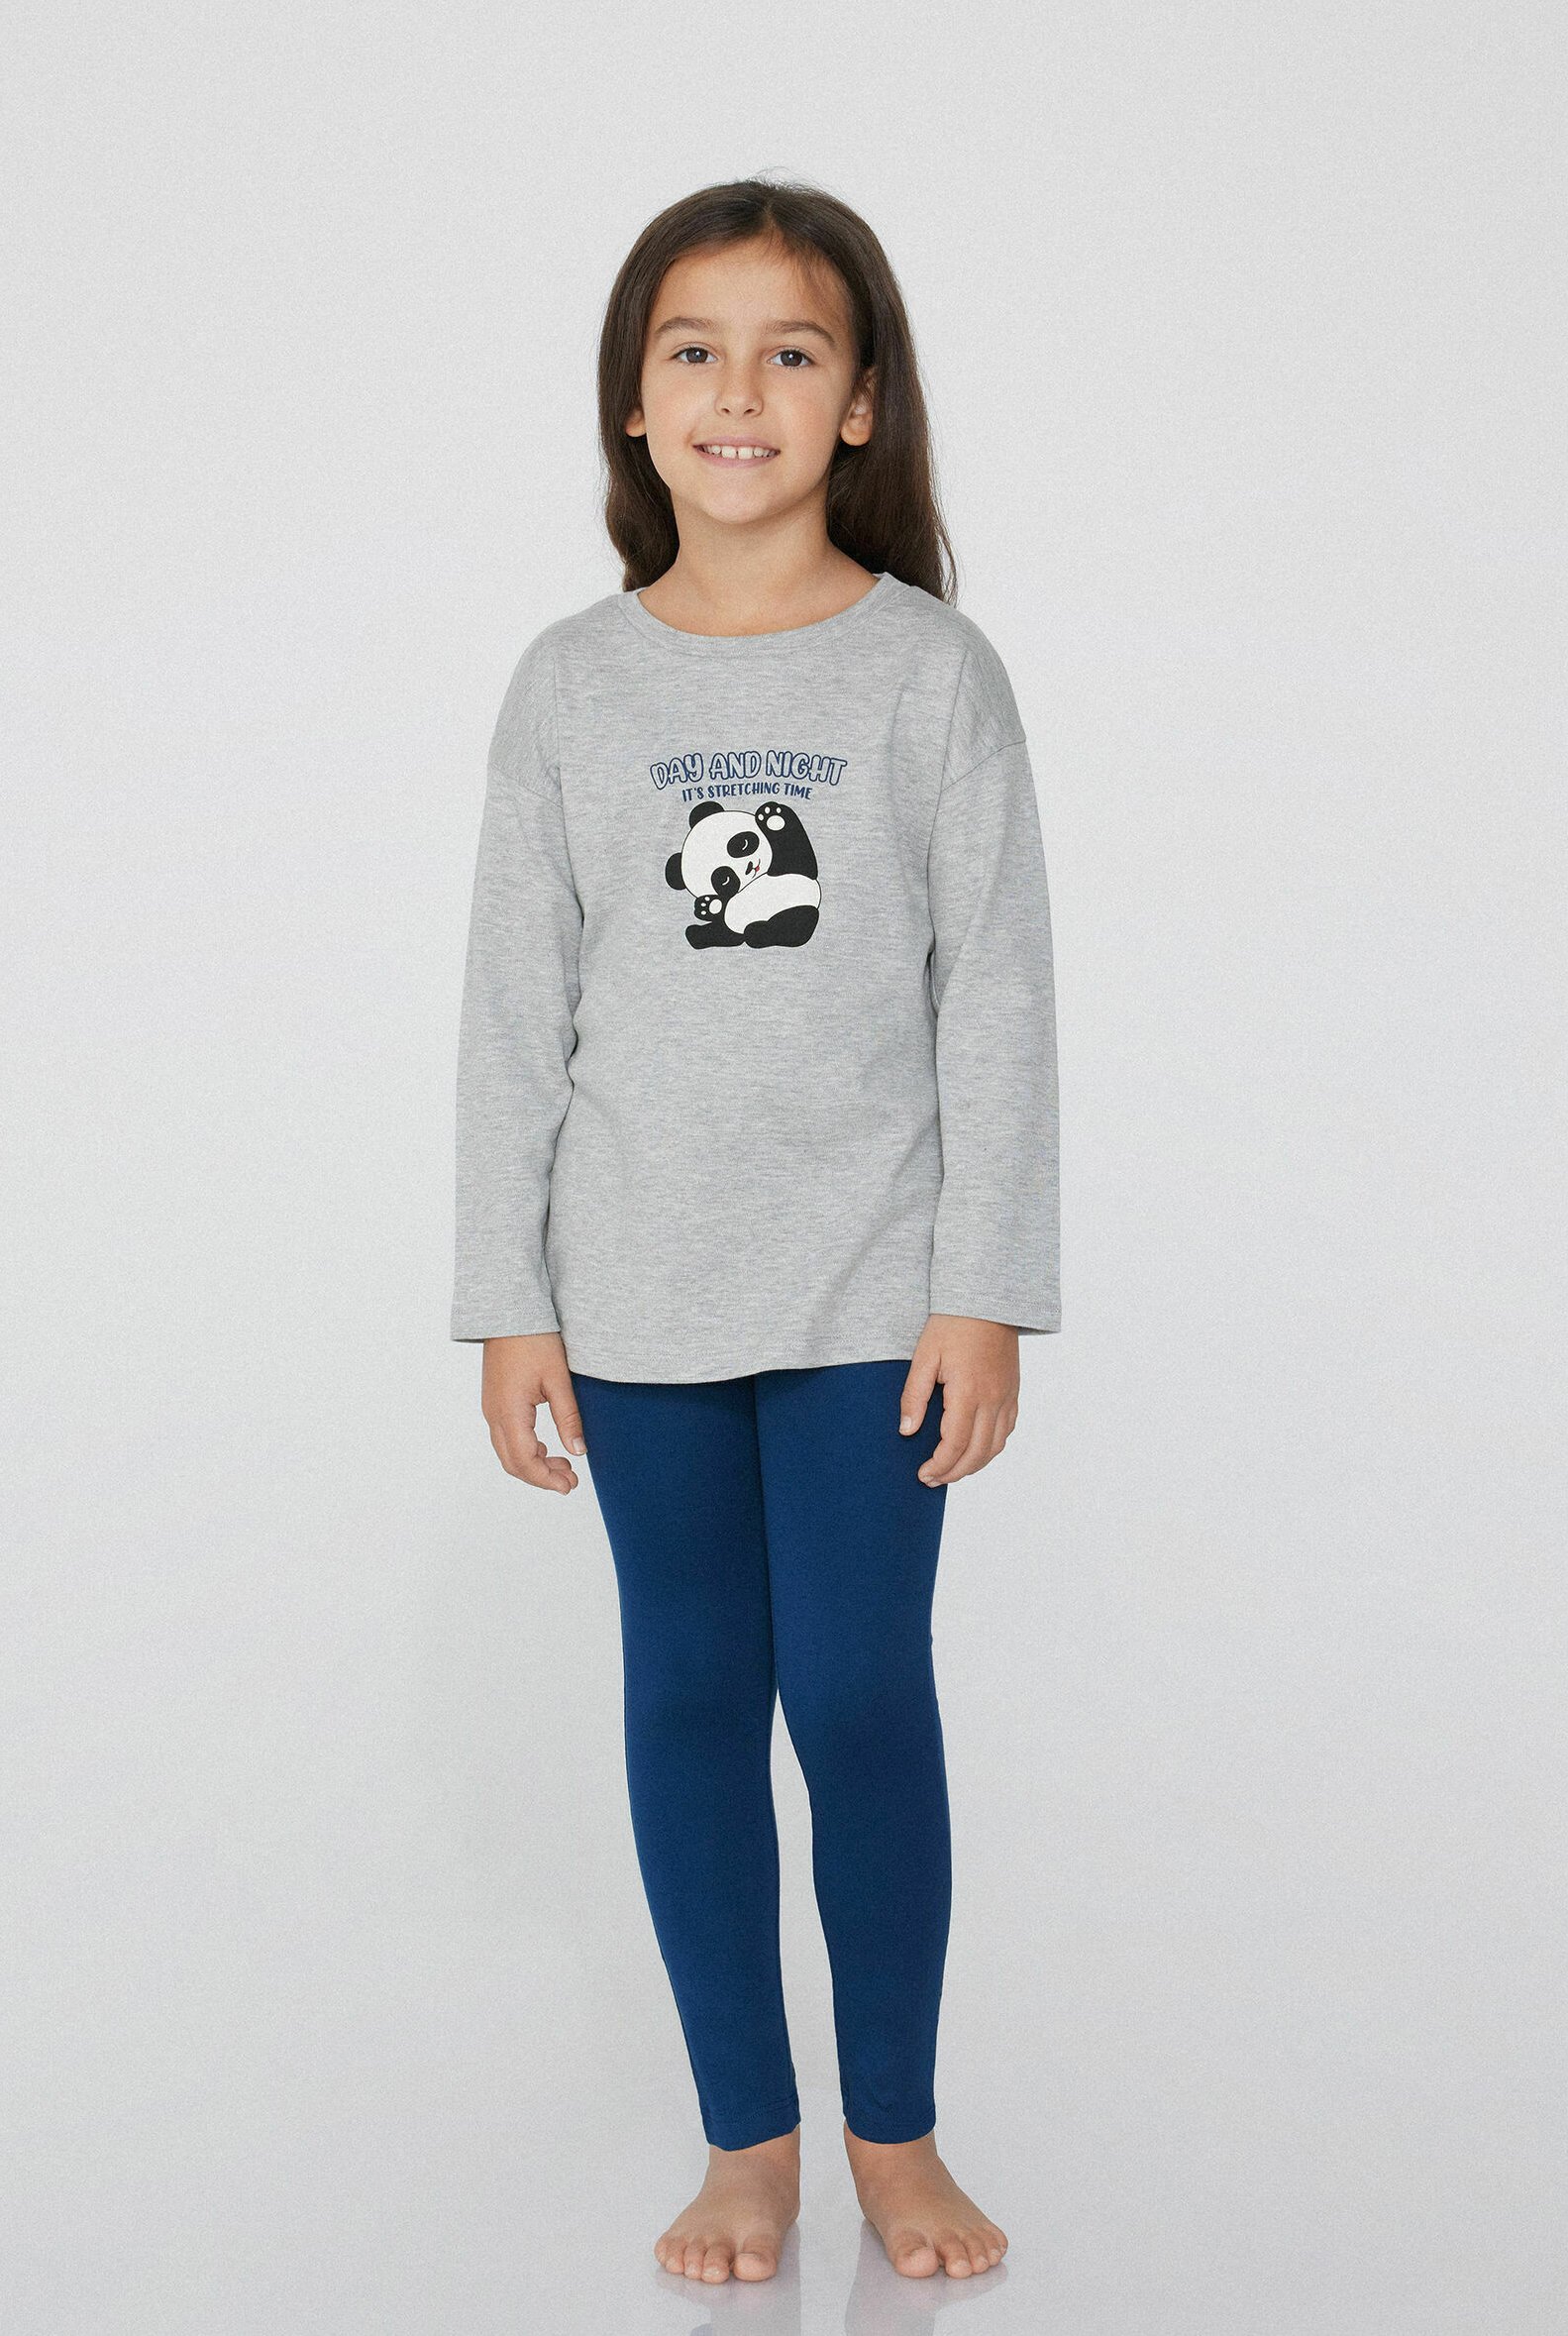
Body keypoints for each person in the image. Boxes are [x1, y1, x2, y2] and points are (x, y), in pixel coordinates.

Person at [450, 176, 1061, 2287]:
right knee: (693, 1692)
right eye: (693, 350)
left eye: (791, 350)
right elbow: (514, 1009)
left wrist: (986, 1290)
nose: (740, 390)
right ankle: (749, 2144)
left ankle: (896, 2131)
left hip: (874, 1286)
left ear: (861, 401)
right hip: (632, 1292)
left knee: (863, 1694)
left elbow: (996, 999)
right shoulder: (569, 686)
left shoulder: (932, 677)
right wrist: (506, 1301)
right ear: (633, 405)